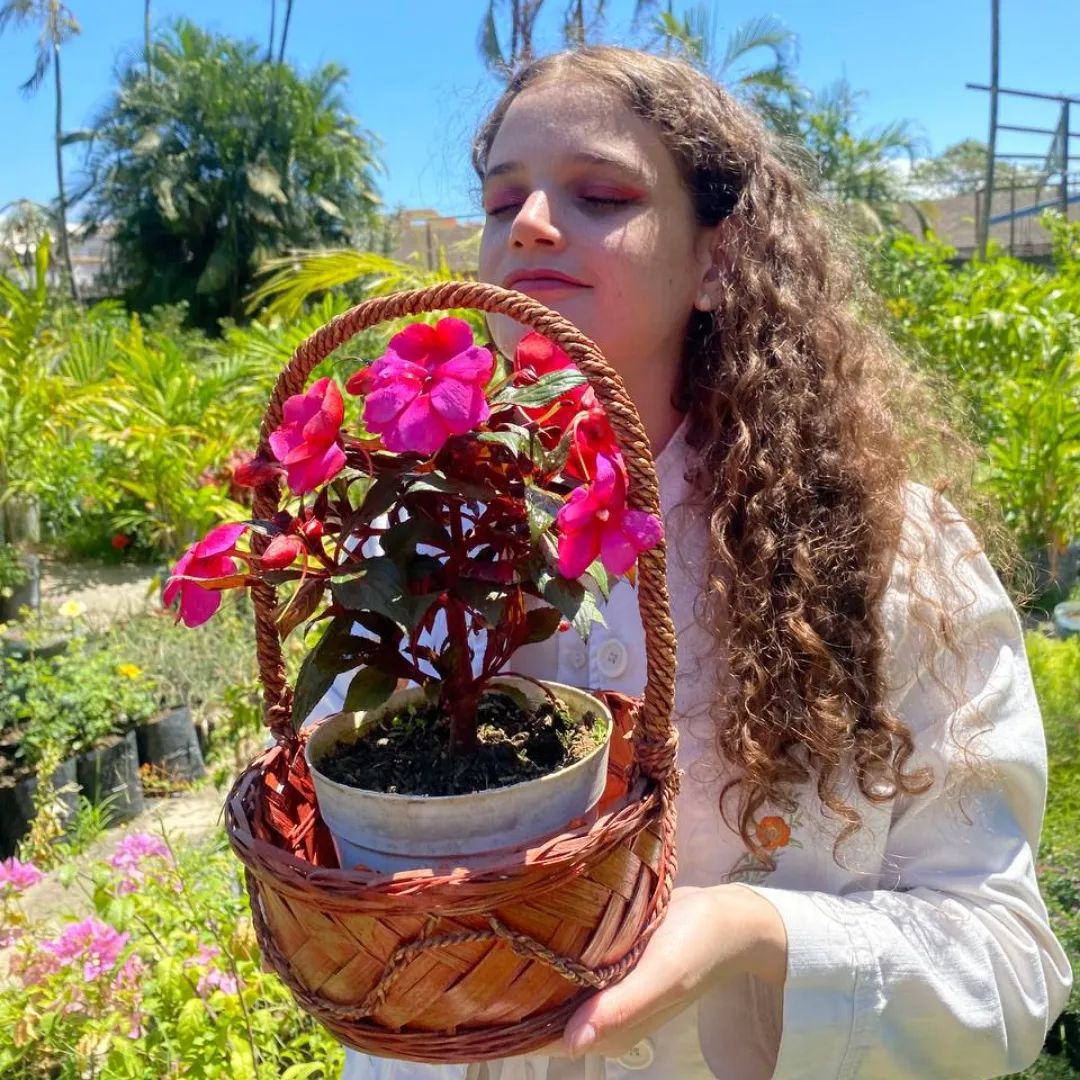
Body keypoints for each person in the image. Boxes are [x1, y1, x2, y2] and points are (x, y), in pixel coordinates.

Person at [330, 46, 1072, 1080]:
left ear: (719, 263)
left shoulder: (887, 558)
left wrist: (753, 934)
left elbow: (1007, 971)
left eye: (598, 194)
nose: (531, 225)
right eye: (503, 203)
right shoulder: (409, 546)